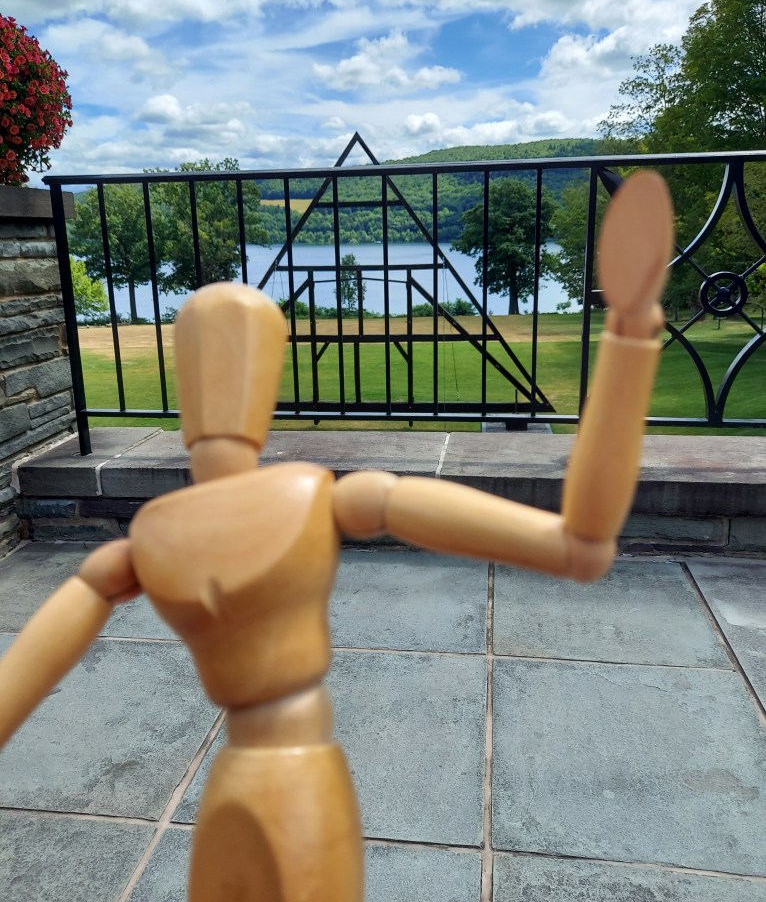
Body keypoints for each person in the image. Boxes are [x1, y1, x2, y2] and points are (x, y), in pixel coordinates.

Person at [0, 170, 672, 902]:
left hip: (233, 788)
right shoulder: (317, 499)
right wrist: (630, 332)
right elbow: (580, 545)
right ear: (267, 371)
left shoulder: (145, 542)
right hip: (298, 789)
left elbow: (23, 677)